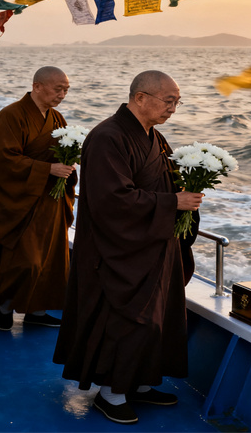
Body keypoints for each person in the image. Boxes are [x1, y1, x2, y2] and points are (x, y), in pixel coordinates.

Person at [52, 70, 203, 425]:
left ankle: (141, 383)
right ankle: (112, 393)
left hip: (153, 244)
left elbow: (166, 180)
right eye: (168, 101)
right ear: (140, 98)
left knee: (156, 318)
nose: (173, 108)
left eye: (177, 102)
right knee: (125, 320)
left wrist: (187, 191)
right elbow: (112, 199)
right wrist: (173, 203)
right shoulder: (107, 137)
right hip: (117, 250)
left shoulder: (155, 137)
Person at [0, 66, 76, 330]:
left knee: (48, 257)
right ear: (37, 86)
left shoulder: (57, 118)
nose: (62, 95)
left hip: (49, 200)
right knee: (25, 259)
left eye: (66, 90)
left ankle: (37, 310)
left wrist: (68, 166)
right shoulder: (11, 115)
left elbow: (62, 151)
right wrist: (47, 169)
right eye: (58, 89)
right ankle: (5, 306)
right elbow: (4, 159)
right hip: (19, 200)